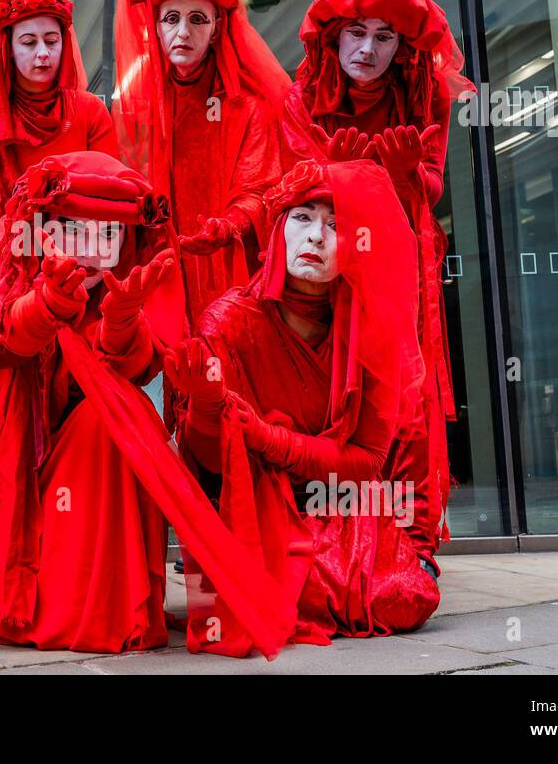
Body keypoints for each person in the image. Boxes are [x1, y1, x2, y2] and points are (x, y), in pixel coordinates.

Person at [0, 150, 299, 657]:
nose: (94, 250)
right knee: (116, 417)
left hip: (91, 457)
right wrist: (46, 305)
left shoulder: (122, 277)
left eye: (110, 233)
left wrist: (119, 323)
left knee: (122, 413)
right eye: (75, 228)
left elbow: (138, 370)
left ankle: (116, 604)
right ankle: (81, 609)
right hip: (17, 467)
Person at [168, 159, 439, 651]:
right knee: (268, 595)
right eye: (302, 218)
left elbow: (367, 462)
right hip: (253, 509)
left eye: (336, 225)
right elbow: (205, 470)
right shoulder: (225, 323)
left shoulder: (372, 328)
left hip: (339, 502)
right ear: (277, 230)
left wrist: (267, 438)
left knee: (406, 598)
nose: (315, 237)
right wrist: (208, 414)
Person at [280, 0, 474, 557]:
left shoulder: (427, 95)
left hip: (397, 256)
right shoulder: (301, 95)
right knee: (339, 381)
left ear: (402, 46)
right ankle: (335, 536)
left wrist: (404, 174)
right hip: (330, 255)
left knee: (399, 388)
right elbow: (292, 185)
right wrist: (335, 176)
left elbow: (431, 189)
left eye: (385, 37)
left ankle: (410, 539)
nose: (368, 50)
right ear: (334, 38)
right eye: (356, 33)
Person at [112, 0, 291, 327]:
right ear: (155, 28)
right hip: (164, 268)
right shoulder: (138, 106)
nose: (183, 32)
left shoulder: (248, 106)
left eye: (197, 19)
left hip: (231, 269)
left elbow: (264, 188)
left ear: (215, 29)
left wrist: (227, 227)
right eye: (171, 18)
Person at [0, 0, 119, 248]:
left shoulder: (90, 111)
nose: (43, 53)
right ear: (9, 50)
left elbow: (110, 192)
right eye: (28, 42)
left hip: (83, 254)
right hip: (8, 257)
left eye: (52, 41)